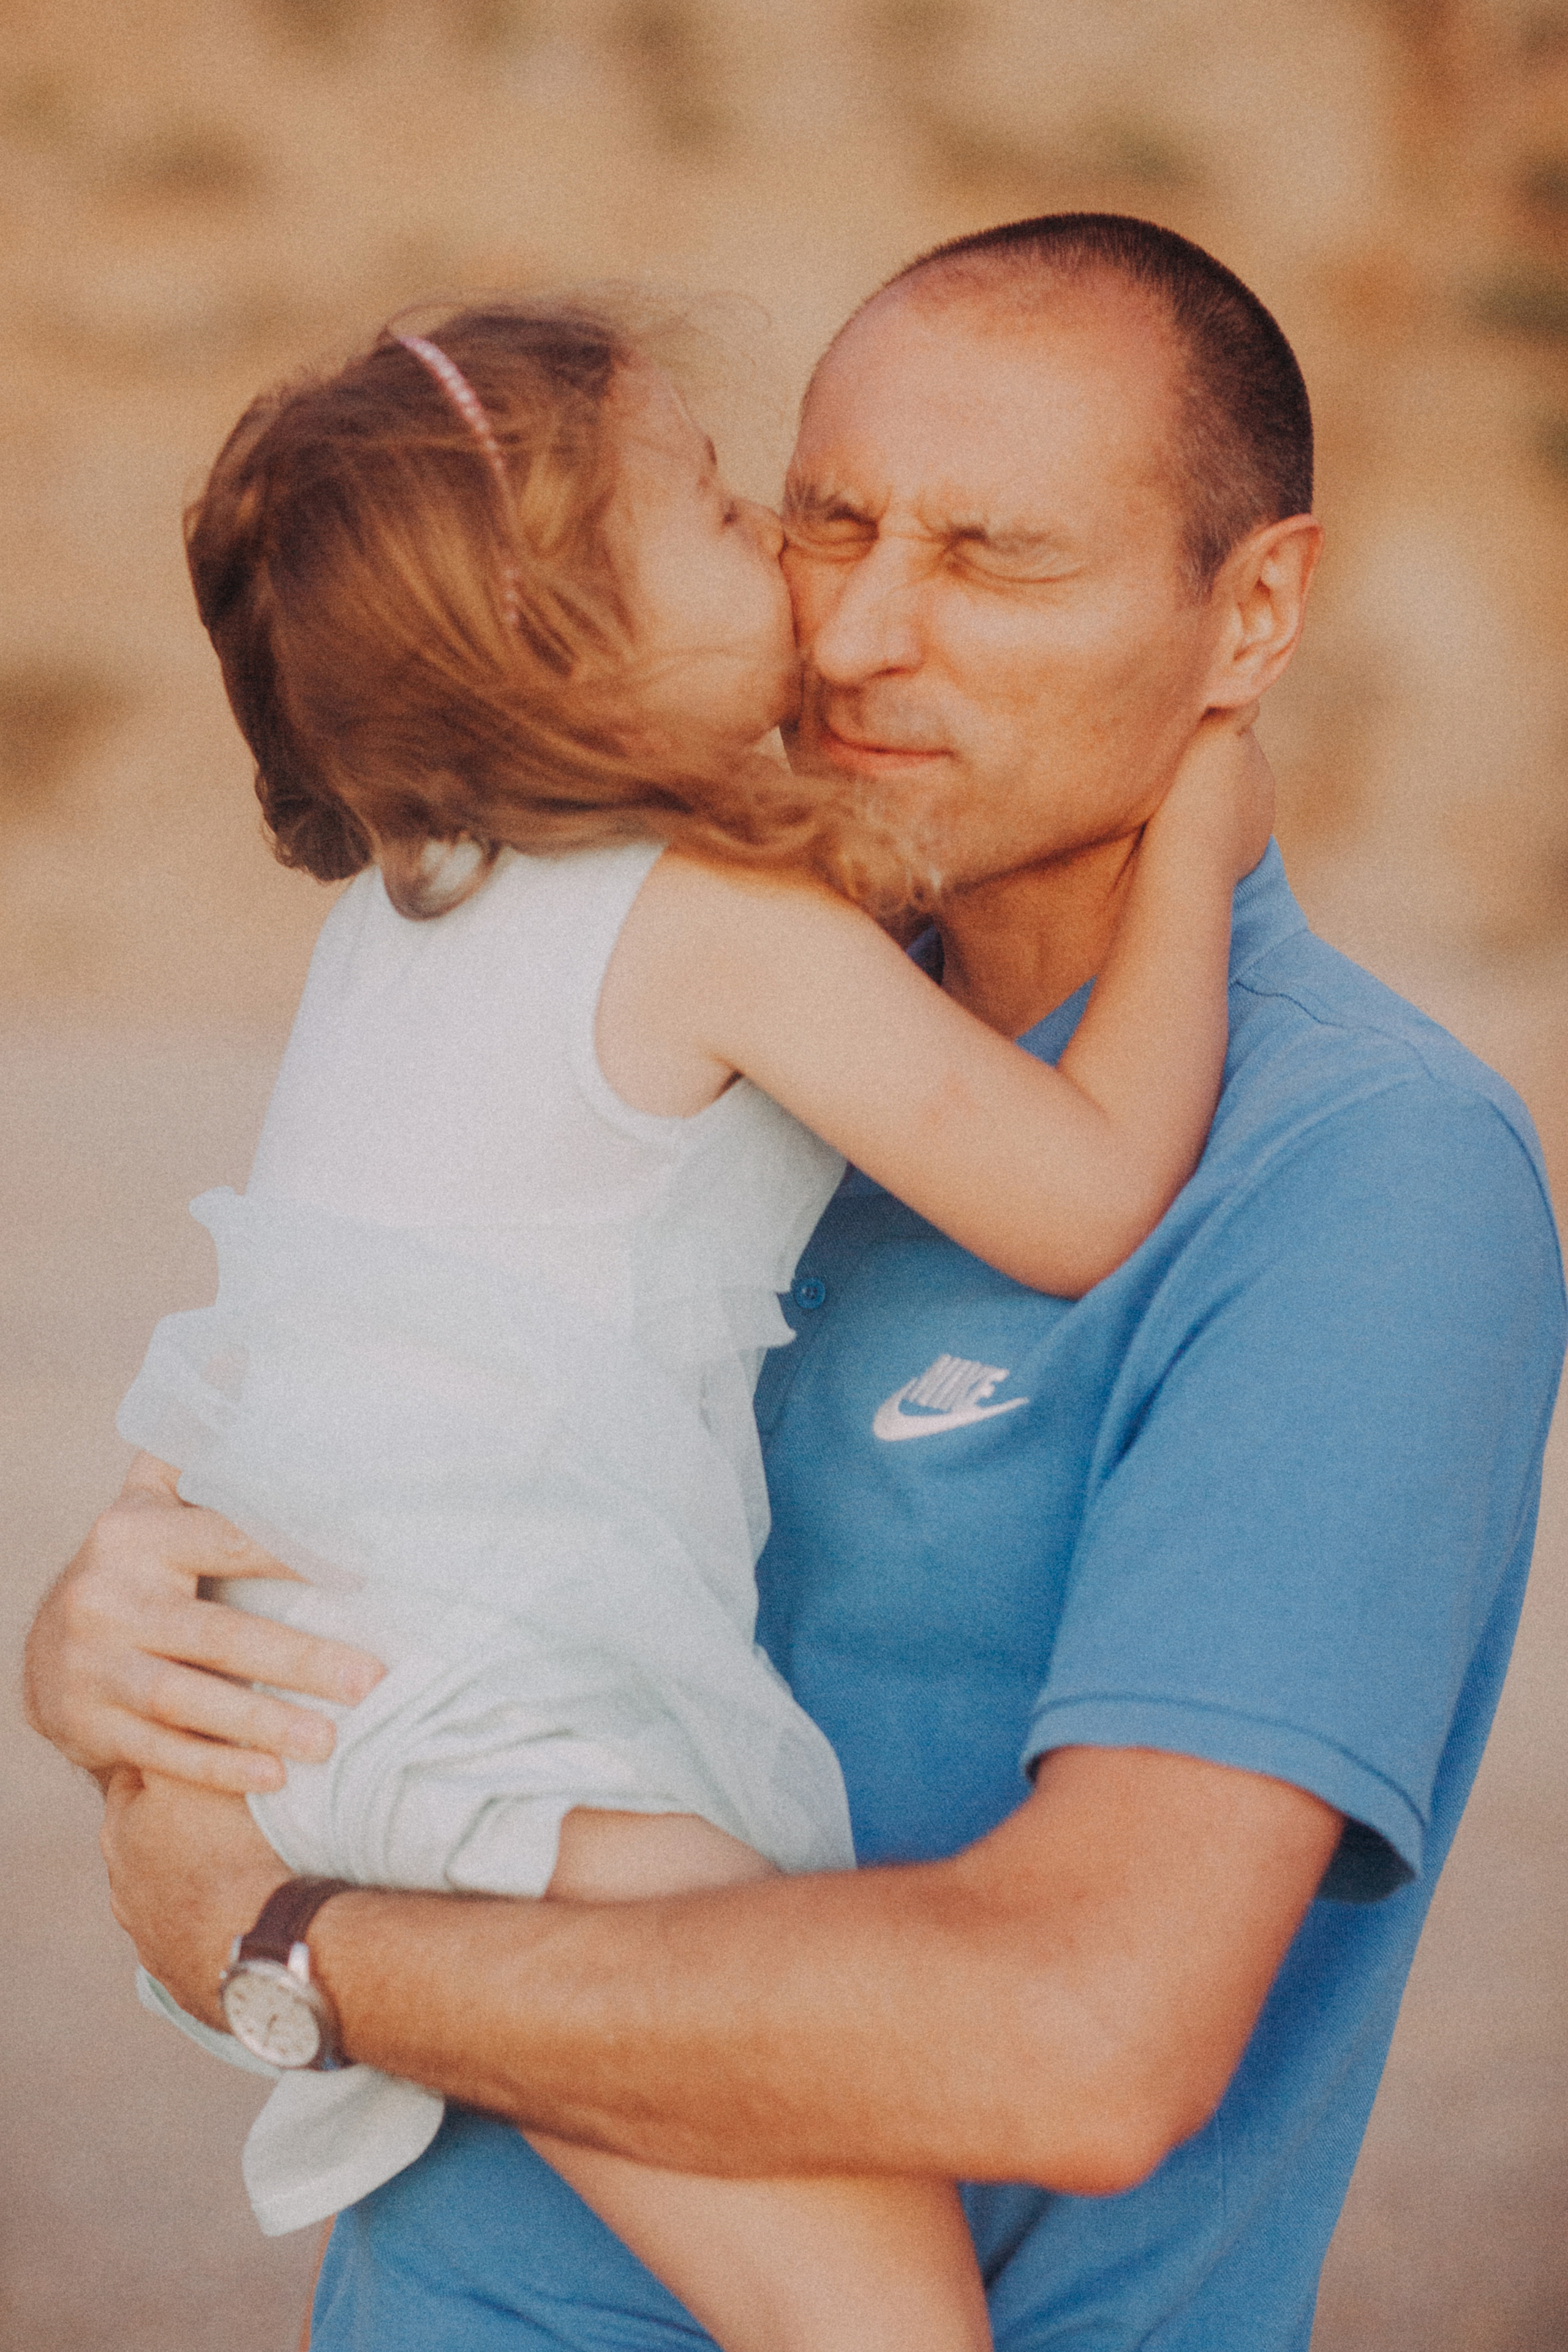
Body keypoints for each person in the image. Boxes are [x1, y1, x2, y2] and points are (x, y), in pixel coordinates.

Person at [26, 214, 1566, 2352]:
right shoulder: (715, 1019)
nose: (848, 631)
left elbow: (1085, 2036)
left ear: (1256, 611)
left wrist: (291, 1942)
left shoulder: (1362, 1175)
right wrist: (110, 1641)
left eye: (993, 558)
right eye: (818, 521)